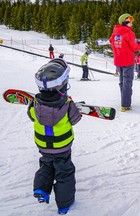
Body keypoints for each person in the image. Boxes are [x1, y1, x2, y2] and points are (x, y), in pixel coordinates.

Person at [27, 58, 82, 214]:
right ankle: (64, 204)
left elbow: (31, 115)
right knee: (65, 173)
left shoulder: (35, 104)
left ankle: (41, 189)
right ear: (63, 84)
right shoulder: (67, 104)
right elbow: (75, 119)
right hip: (62, 147)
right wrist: (73, 106)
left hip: (43, 146)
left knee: (46, 166)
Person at [109, 13, 140, 112]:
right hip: (127, 61)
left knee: (122, 82)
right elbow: (134, 47)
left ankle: (124, 101)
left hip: (118, 61)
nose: (131, 22)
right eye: (130, 20)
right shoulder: (129, 33)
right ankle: (125, 105)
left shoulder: (115, 33)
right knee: (127, 83)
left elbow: (111, 41)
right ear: (124, 22)